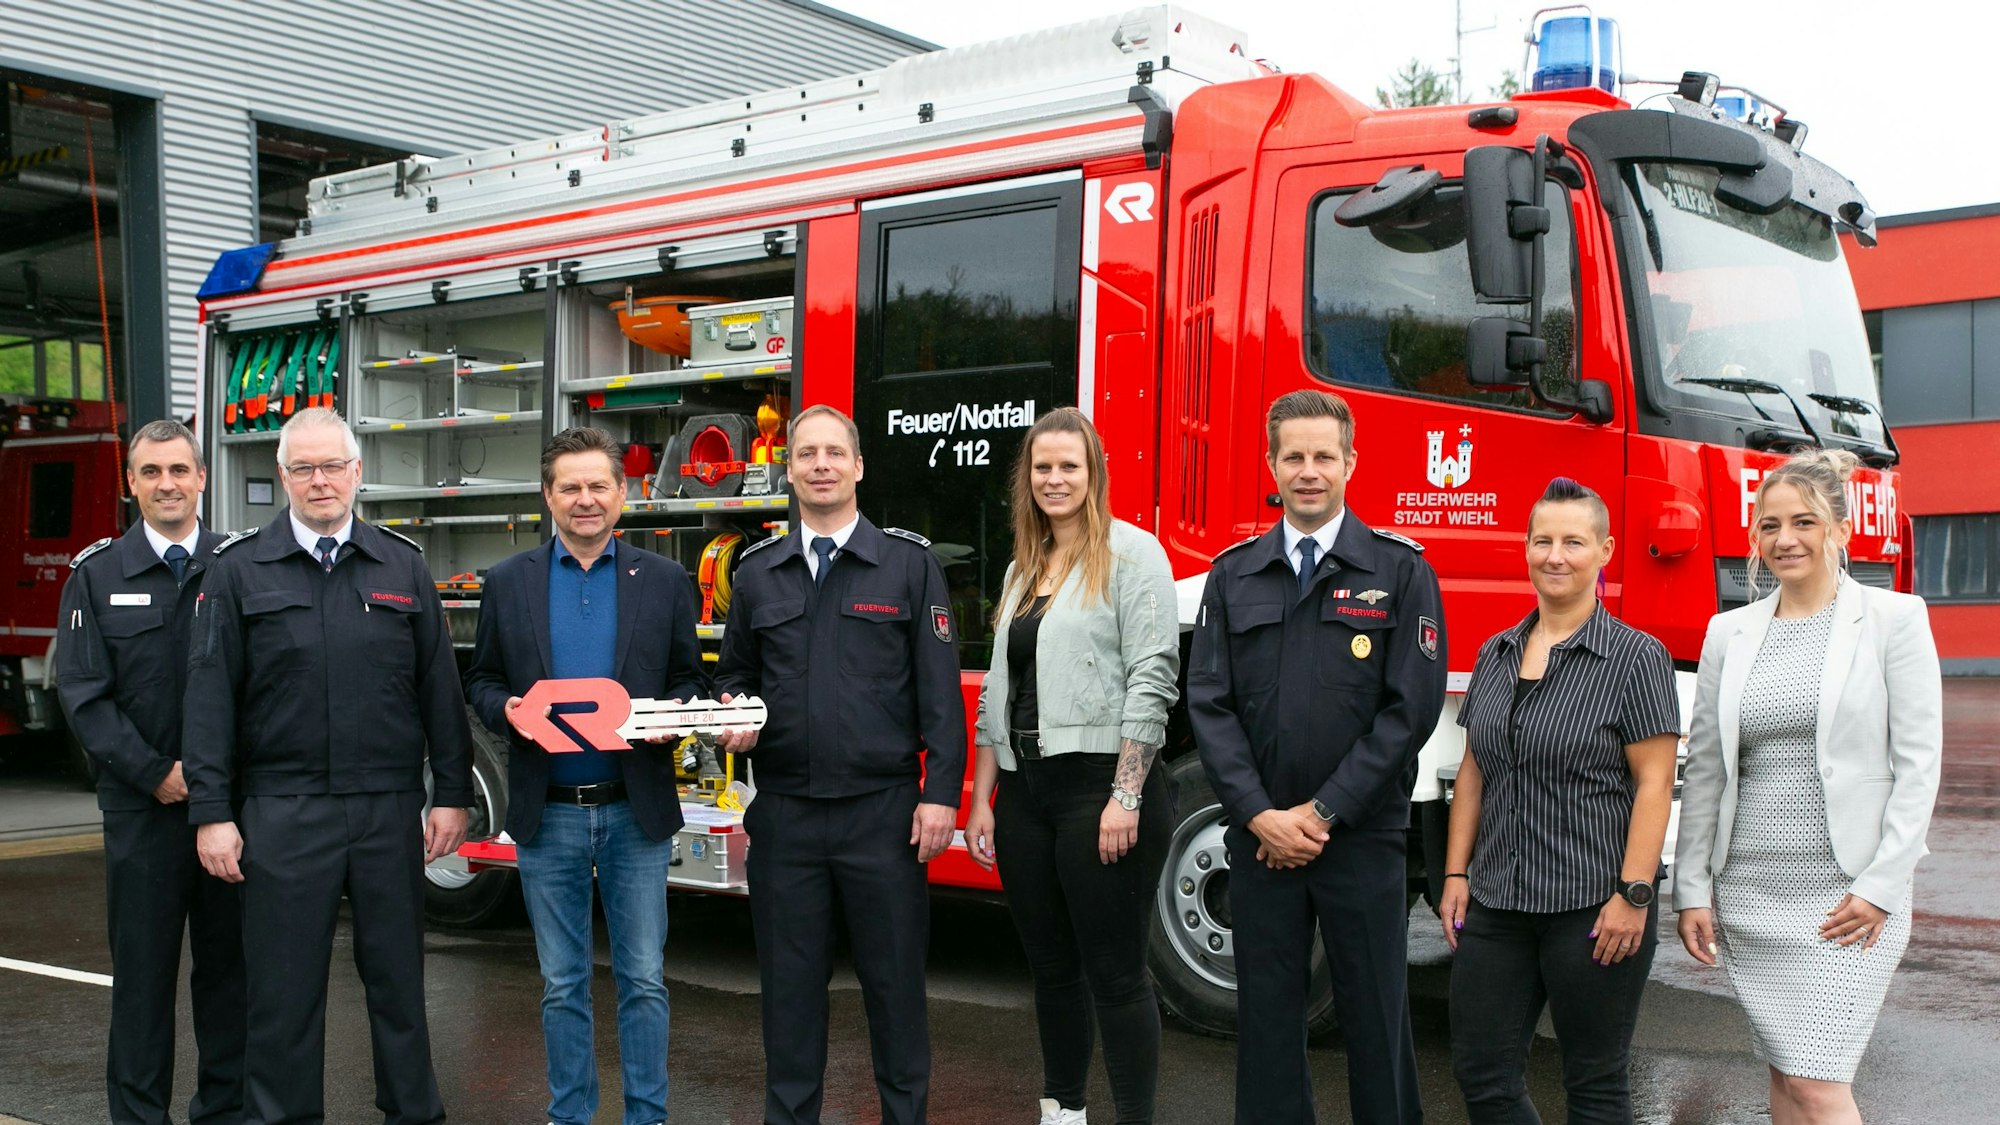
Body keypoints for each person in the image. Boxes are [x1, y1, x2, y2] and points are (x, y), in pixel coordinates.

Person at [184, 406, 472, 1125]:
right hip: (284, 810)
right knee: (282, 993)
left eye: (333, 466)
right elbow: (209, 701)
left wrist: (452, 793)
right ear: (283, 476)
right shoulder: (239, 569)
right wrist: (212, 813)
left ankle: (414, 1114)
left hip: (386, 808)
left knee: (399, 985)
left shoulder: (401, 565)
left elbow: (441, 690)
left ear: (357, 472)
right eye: (304, 468)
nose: (321, 480)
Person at [1188, 388, 1447, 1125]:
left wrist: (1325, 810)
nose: (1309, 470)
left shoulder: (1400, 571)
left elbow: (1410, 710)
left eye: (1323, 456)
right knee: (1267, 1023)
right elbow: (1209, 704)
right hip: (1262, 840)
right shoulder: (1233, 574)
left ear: (1350, 463)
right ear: (1271, 465)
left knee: (1375, 1017)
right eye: (1294, 456)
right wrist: (1259, 814)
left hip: (1359, 838)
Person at [713, 404, 965, 1125]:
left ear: (858, 466)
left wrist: (940, 795)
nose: (820, 464)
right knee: (789, 998)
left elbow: (940, 694)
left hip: (883, 817)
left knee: (895, 992)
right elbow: (734, 675)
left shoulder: (909, 566)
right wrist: (732, 711)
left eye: (834, 452)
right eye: (806, 453)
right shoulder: (758, 573)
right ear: (789, 470)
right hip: (786, 818)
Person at [1674, 449, 1943, 1125]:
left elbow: (1919, 766)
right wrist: (1692, 889)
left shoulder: (1895, 619)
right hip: (1751, 890)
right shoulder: (1728, 632)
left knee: (1819, 1086)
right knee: (1789, 1078)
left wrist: (1882, 887)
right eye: (1769, 525)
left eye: (1804, 521)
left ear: (1841, 529)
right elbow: (1705, 768)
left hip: (1849, 897)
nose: (1785, 538)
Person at [464, 426, 704, 1125]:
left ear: (622, 494)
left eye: (599, 485)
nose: (585, 498)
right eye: (569, 486)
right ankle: (569, 1115)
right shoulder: (508, 582)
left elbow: (689, 679)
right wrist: (507, 709)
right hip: (550, 813)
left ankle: (646, 1116)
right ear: (548, 496)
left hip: (635, 809)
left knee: (644, 979)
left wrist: (675, 714)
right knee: (562, 983)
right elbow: (481, 680)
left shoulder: (664, 581)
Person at [1438, 478, 1681, 1124]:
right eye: (1542, 540)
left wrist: (1634, 894)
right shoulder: (1495, 652)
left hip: (1594, 908)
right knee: (1483, 1075)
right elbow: (1474, 771)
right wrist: (1456, 874)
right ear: (1525, 548)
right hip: (1497, 902)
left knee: (1595, 1085)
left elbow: (1654, 783)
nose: (1555, 555)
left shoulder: (1637, 657)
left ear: (1604, 551)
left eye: (1573, 542)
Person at [963, 407, 1180, 1125]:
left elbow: (1154, 676)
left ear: (1095, 474)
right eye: (1042, 466)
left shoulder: (1133, 554)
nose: (1054, 479)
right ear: (1026, 477)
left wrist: (1127, 794)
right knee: (1052, 970)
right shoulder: (1022, 568)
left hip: (1100, 787)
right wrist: (983, 798)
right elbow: (997, 690)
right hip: (1025, 792)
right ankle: (1063, 1111)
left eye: (1069, 466)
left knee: (1116, 974)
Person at [56, 419, 244, 1125]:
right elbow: (83, 694)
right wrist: (154, 772)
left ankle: (224, 1112)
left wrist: (221, 779)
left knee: (231, 977)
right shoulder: (96, 575)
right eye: (152, 472)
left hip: (230, 812)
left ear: (202, 478)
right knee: (141, 982)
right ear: (130, 483)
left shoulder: (239, 566)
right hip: (143, 814)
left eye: (179, 470)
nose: (167, 484)